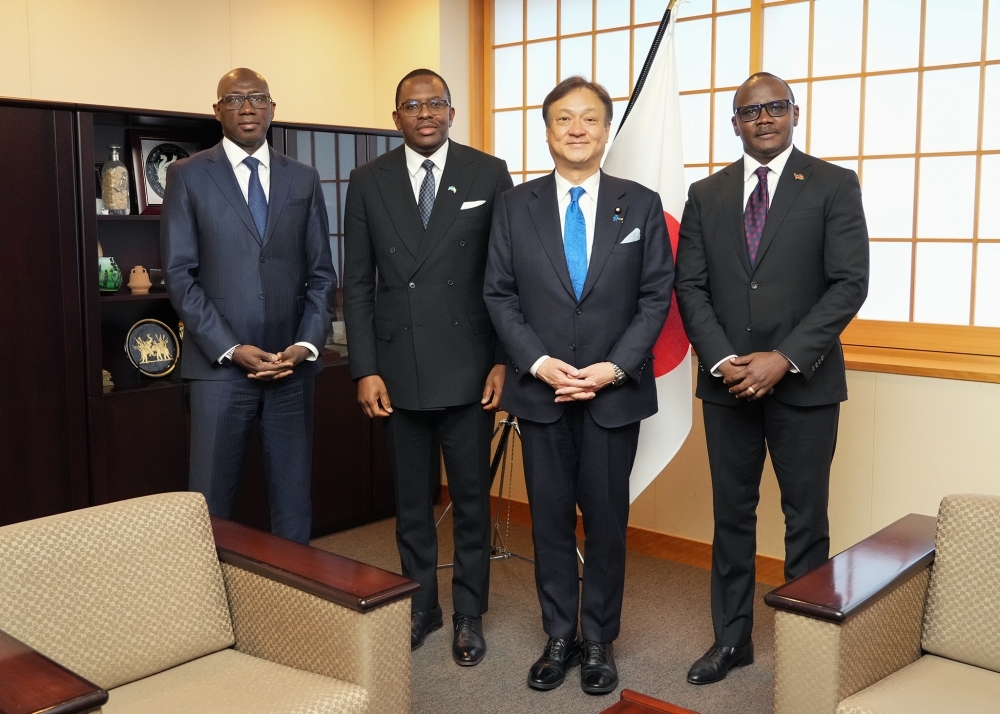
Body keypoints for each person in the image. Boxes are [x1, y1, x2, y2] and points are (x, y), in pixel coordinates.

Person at [675, 72, 869, 684]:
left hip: (805, 384)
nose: (763, 118)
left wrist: (783, 357)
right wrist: (721, 358)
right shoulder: (706, 194)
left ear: (794, 113)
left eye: (775, 107)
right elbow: (690, 286)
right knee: (732, 516)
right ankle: (731, 641)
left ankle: (806, 652)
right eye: (749, 111)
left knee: (805, 519)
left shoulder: (834, 184)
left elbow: (849, 284)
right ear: (734, 122)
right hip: (726, 383)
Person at [484, 77, 674, 695]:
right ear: (546, 131)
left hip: (612, 393)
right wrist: (539, 363)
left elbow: (654, 299)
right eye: (564, 119)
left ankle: (598, 642)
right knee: (549, 523)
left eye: (589, 119)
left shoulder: (640, 204)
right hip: (540, 392)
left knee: (608, 521)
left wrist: (612, 368)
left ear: (605, 130)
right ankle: (558, 634)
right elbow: (499, 295)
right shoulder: (515, 206)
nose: (576, 129)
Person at [342, 69, 512, 666]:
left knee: (470, 502)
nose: (425, 114)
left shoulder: (486, 173)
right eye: (412, 106)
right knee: (411, 502)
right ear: (396, 118)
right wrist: (364, 367)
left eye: (435, 103)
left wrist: (502, 362)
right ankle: (421, 605)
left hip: (470, 369)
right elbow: (357, 284)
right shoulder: (367, 182)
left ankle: (469, 613)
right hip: (395, 369)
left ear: (451, 110)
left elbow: (504, 278)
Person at [161, 68, 336, 545]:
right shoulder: (188, 175)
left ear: (273, 108)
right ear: (217, 111)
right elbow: (179, 274)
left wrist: (304, 345)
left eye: (257, 97)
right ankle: (212, 609)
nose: (247, 107)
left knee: (294, 501)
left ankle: (294, 604)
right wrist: (230, 347)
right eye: (234, 99)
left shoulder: (303, 178)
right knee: (213, 503)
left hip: (289, 368)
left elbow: (322, 273)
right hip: (219, 370)